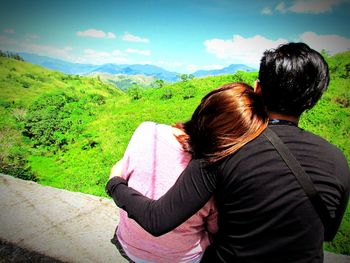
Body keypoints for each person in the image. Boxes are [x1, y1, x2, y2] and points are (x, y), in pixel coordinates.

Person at [106, 43, 350, 263]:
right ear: (312, 101)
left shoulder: (228, 146)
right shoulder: (337, 161)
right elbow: (327, 231)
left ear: (258, 89)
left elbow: (158, 220)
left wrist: (115, 183)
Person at [109, 82, 268, 262]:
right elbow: (214, 229)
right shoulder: (213, 173)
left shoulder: (146, 130)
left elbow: (126, 171)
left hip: (130, 247)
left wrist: (114, 182)